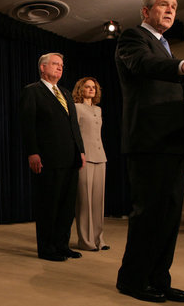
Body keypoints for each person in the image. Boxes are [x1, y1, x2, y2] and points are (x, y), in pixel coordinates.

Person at [115, 0, 184, 303]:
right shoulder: (133, 38)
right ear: (145, 11)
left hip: (172, 140)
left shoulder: (166, 48)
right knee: (148, 214)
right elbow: (144, 65)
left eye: (174, 6)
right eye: (164, 4)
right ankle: (132, 280)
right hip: (147, 140)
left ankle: (159, 279)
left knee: (170, 216)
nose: (171, 10)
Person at [19, 52, 86, 262]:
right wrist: (32, 152)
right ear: (42, 67)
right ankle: (47, 248)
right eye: (55, 64)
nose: (59, 68)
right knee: (49, 205)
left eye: (61, 65)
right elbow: (27, 125)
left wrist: (81, 150)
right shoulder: (32, 91)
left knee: (67, 206)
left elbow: (74, 126)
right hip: (47, 158)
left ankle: (61, 245)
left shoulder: (65, 93)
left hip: (71, 158)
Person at [71, 77, 109, 251]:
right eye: (87, 87)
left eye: (94, 87)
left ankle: (98, 239)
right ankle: (85, 241)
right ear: (81, 89)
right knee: (84, 200)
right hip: (84, 157)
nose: (91, 89)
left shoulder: (98, 110)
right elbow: (75, 134)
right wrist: (79, 154)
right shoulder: (77, 108)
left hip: (100, 156)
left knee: (98, 201)